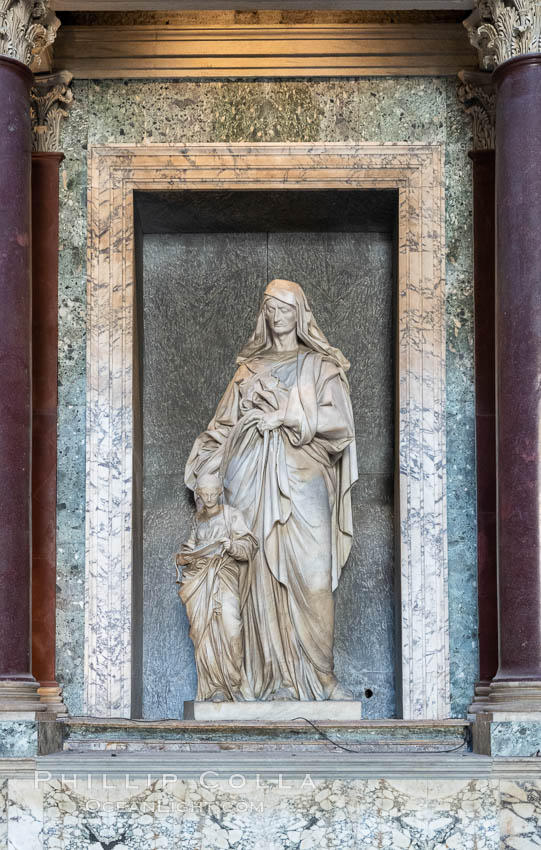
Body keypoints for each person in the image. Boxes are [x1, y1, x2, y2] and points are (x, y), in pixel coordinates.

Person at [185, 278, 358, 701]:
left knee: (314, 577)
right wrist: (205, 468)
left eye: (284, 307)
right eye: (270, 308)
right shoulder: (249, 369)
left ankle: (322, 677)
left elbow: (340, 427)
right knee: (259, 576)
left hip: (305, 479)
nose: (277, 316)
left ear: (300, 313)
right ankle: (272, 680)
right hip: (250, 480)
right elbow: (222, 427)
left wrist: (286, 414)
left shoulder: (320, 365)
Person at [176, 474, 257, 702]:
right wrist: (184, 556)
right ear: (199, 494)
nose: (210, 498)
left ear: (219, 492)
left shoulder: (232, 515)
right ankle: (215, 688)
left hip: (223, 576)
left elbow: (249, 545)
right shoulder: (198, 519)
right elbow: (189, 547)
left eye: (214, 493)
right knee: (204, 632)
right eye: (205, 494)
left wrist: (231, 545)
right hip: (199, 581)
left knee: (231, 627)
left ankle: (233, 683)